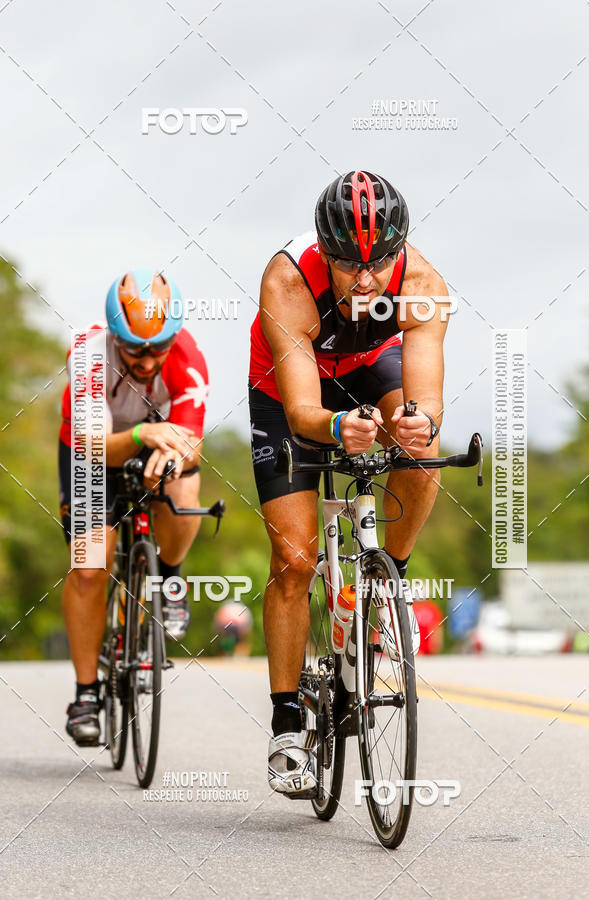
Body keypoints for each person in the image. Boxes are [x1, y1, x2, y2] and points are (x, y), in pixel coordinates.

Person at [248, 170, 451, 796]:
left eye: (380, 261)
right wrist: (338, 427)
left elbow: (425, 399)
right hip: (290, 392)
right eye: (347, 263)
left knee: (424, 450)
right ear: (322, 249)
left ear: (401, 250)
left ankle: (388, 576)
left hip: (368, 369)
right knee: (294, 558)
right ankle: (287, 718)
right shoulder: (288, 282)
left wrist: (416, 426)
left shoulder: (422, 286)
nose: (365, 280)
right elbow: (307, 412)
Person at [59, 268, 209, 745]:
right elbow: (91, 444)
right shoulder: (88, 352)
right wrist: (145, 435)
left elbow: (192, 446)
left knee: (184, 489)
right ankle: (86, 694)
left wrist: (170, 456)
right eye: (135, 348)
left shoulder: (189, 359)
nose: (147, 360)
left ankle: (168, 576)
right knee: (89, 566)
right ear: (114, 335)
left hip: (156, 442)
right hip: (91, 448)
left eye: (157, 348)